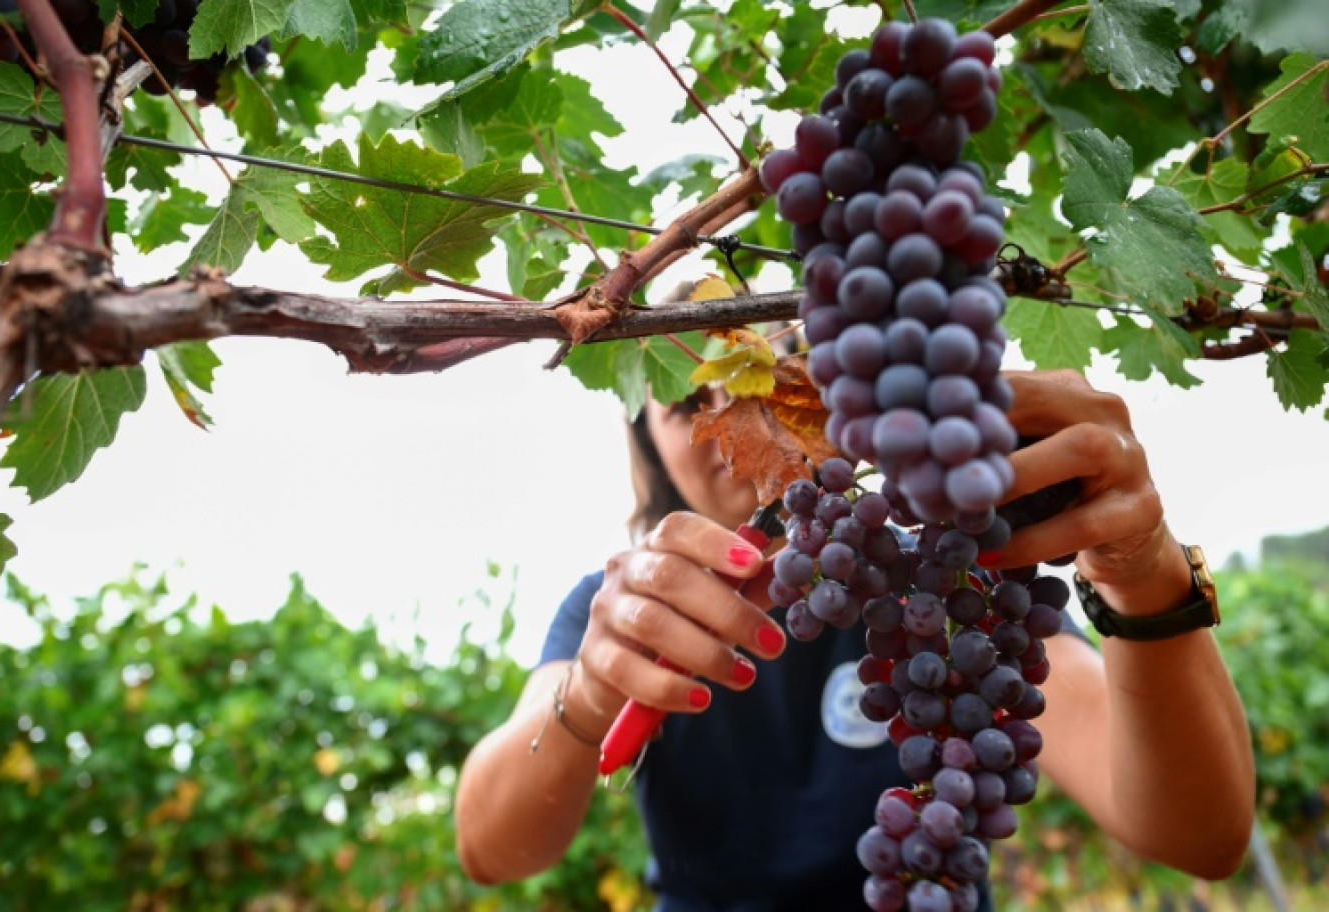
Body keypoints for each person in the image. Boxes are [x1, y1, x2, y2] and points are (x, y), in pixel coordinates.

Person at [453, 368, 1256, 911]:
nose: (738, 411)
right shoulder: (613, 609)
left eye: (773, 378)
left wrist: (1143, 572)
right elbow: (490, 849)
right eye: (688, 401)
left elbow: (1199, 836)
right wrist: (587, 697)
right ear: (648, 443)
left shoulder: (947, 584)